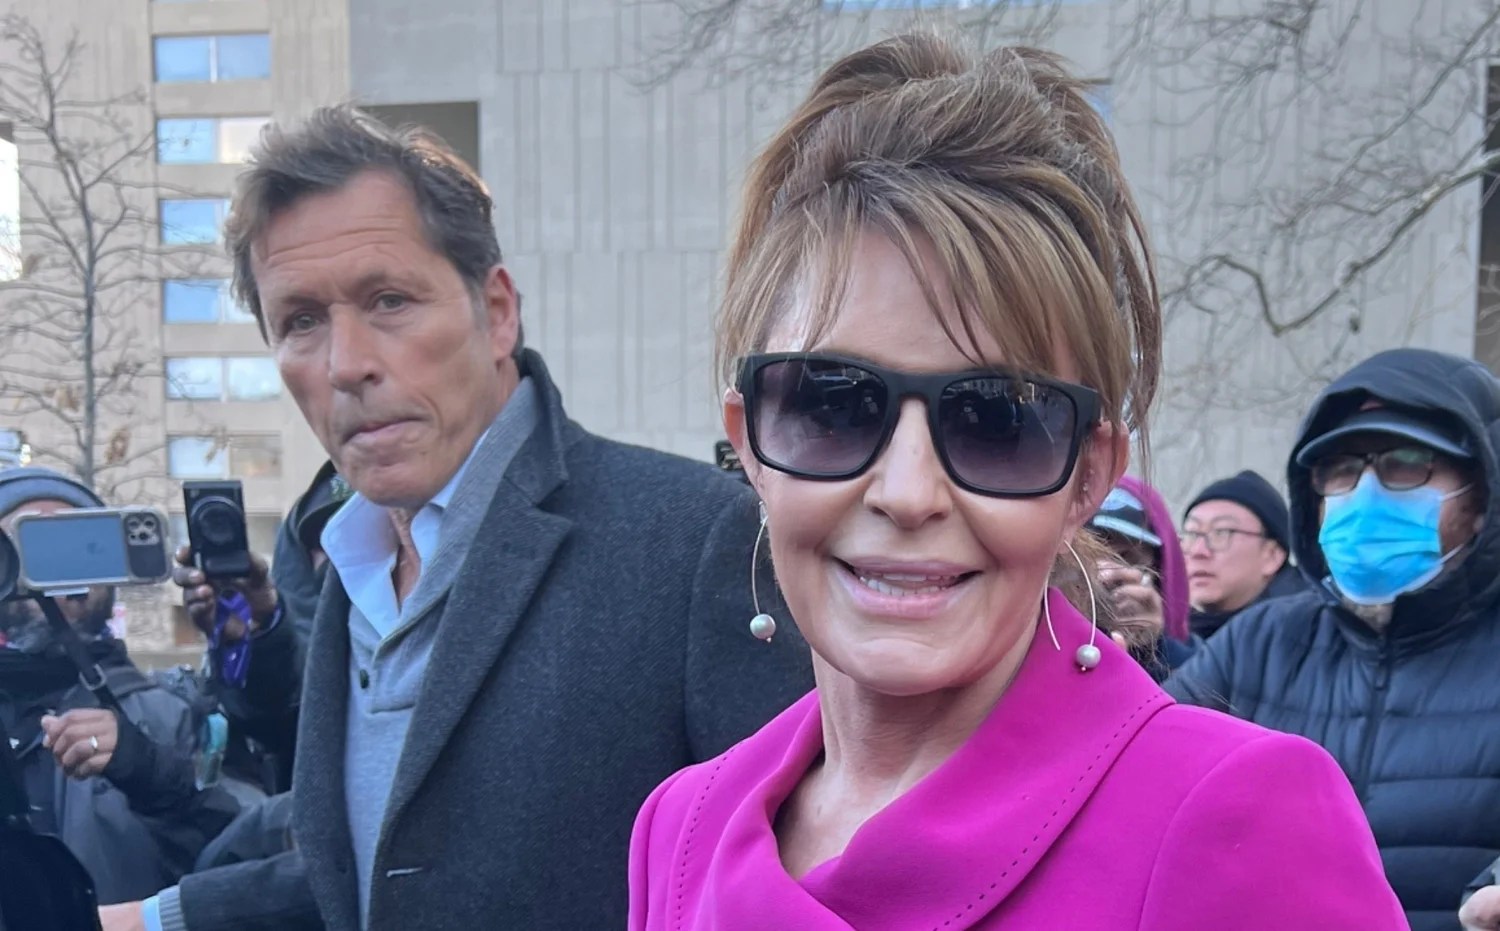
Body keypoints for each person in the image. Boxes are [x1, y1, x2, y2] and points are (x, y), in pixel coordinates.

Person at [628, 34, 1404, 930]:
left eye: (997, 420)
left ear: (1088, 477)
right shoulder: (682, 825)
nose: (907, 492)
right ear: (752, 444)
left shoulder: (1238, 818)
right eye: (834, 404)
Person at [110, 105, 812, 931]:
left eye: (389, 300)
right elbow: (372, 867)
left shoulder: (697, 538)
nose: (346, 364)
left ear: (498, 311)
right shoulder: (346, 566)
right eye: (300, 320)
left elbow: (785, 883)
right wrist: (146, 919)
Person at [1166, 347, 1500, 930]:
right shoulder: (1260, 642)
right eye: (1341, 470)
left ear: (1480, 497)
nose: (1364, 493)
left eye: (1406, 464)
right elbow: (1136, 776)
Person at [0, 468, 238, 905]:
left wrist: (149, 773)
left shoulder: (170, 714)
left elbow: (240, 864)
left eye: (82, 547)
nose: (61, 582)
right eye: (31, 547)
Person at [1088, 476, 1196, 677]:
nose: (1107, 575)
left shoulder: (1204, 661)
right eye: (1089, 557)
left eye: (1124, 557)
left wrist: (1153, 647)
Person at [1181, 469, 1302, 638]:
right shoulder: (1172, 633)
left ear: (1272, 555)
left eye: (1221, 532)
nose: (1198, 551)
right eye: (1191, 534)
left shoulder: (1305, 631)